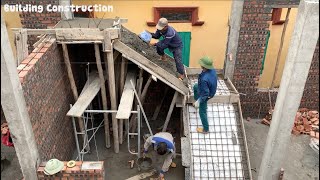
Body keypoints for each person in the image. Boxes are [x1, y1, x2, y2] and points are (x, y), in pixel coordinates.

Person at [193, 56, 217, 134]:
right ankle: (197, 102)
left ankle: (206, 129)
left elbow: (205, 94)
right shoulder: (212, 70)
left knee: (202, 112)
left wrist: (200, 100)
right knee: (195, 86)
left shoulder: (204, 79)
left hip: (207, 94)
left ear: (204, 66)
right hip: (210, 89)